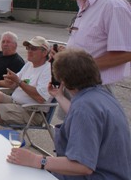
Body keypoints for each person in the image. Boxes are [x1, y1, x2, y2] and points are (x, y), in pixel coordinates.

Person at [7, 49, 131, 179]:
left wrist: (36, 160)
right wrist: (59, 96)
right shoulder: (100, 95)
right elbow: (81, 116)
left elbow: (82, 165)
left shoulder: (84, 108)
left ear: (63, 80)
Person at [61, 0, 131, 87]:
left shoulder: (114, 6)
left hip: (94, 87)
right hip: (76, 83)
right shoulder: (86, 4)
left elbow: (127, 53)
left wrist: (81, 67)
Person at [0, 36, 52, 126]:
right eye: (28, 48)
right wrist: (3, 81)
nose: (29, 51)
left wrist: (18, 81)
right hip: (15, 102)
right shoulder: (29, 64)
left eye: (33, 48)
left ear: (44, 52)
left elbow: (40, 98)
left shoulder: (48, 70)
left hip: (31, 112)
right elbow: (14, 84)